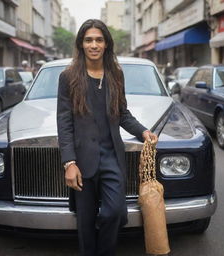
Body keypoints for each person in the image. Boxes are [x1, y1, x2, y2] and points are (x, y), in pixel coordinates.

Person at [56, 19, 158, 256]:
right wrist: (69, 162)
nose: (94, 45)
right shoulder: (68, 76)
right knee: (85, 222)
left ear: (106, 44)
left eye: (99, 40)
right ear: (81, 44)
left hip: (112, 157)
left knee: (114, 212)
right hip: (82, 160)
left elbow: (122, 113)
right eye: (88, 40)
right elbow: (64, 122)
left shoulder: (115, 74)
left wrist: (143, 131)